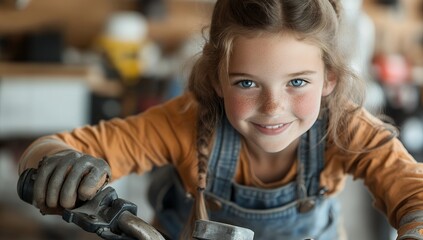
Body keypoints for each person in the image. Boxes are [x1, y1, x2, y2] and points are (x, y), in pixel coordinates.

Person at [17, 0, 423, 239]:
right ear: (215, 78)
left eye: (297, 82)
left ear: (330, 79)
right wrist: (58, 163)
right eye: (247, 83)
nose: (273, 107)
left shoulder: (346, 128)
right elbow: (41, 150)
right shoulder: (183, 124)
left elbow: (414, 194)